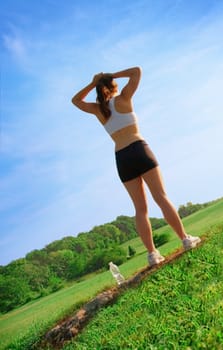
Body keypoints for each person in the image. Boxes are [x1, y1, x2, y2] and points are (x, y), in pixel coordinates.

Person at [72, 66, 200, 266]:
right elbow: (137, 71)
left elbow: (76, 101)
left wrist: (93, 82)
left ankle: (152, 255)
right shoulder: (123, 98)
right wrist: (109, 76)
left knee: (140, 209)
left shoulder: (99, 110)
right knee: (161, 197)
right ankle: (185, 239)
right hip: (139, 149)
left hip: (122, 157)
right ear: (113, 86)